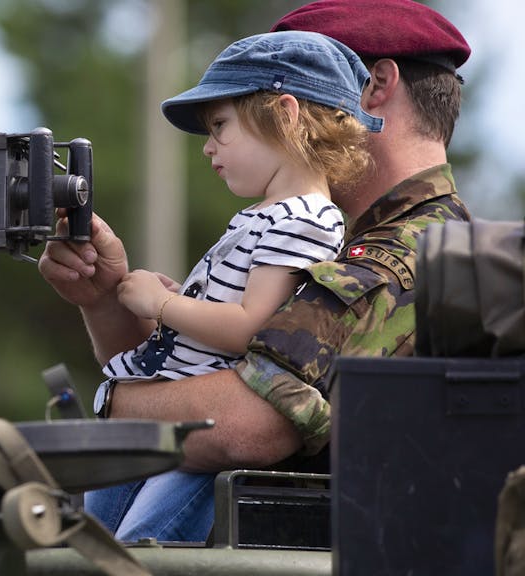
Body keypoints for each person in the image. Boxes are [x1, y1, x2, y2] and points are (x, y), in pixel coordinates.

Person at [38, 0, 472, 542]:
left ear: (374, 86)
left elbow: (244, 426)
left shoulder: (400, 255)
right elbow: (192, 376)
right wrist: (105, 298)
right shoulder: (320, 233)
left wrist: (113, 402)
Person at [83, 29, 380, 542]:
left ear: (285, 115)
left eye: (220, 127)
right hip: (170, 416)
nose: (209, 149)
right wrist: (185, 297)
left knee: (140, 549)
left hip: (197, 449)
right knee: (88, 542)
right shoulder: (268, 216)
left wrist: (164, 303)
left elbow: (250, 326)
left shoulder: (303, 219)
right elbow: (233, 305)